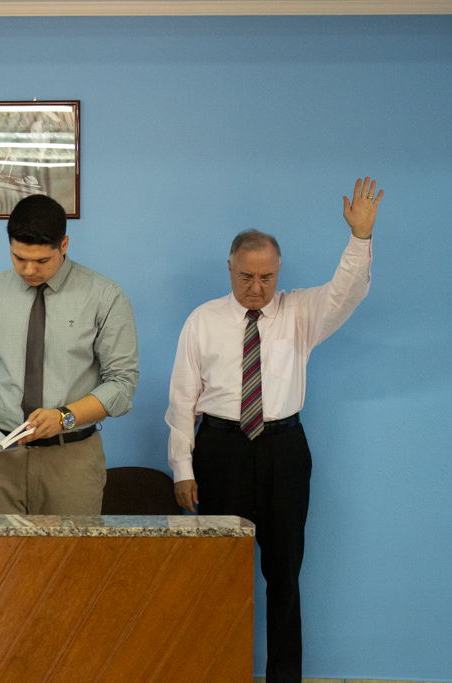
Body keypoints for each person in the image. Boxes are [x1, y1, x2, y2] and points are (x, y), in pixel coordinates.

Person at [165, 177, 383, 683]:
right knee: (219, 572)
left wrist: (360, 238)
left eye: (266, 277)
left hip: (284, 449)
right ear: (230, 268)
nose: (257, 287)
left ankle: (284, 678)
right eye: (247, 276)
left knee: (284, 575)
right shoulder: (202, 321)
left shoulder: (301, 312)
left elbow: (347, 291)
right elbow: (181, 400)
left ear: (278, 271)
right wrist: (182, 467)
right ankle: (219, 672)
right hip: (220, 449)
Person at [0, 194, 139, 515]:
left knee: (69, 549)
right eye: (19, 258)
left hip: (71, 459)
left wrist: (64, 417)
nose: (29, 269)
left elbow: (121, 384)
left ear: (64, 245)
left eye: (42, 260)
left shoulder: (105, 297)